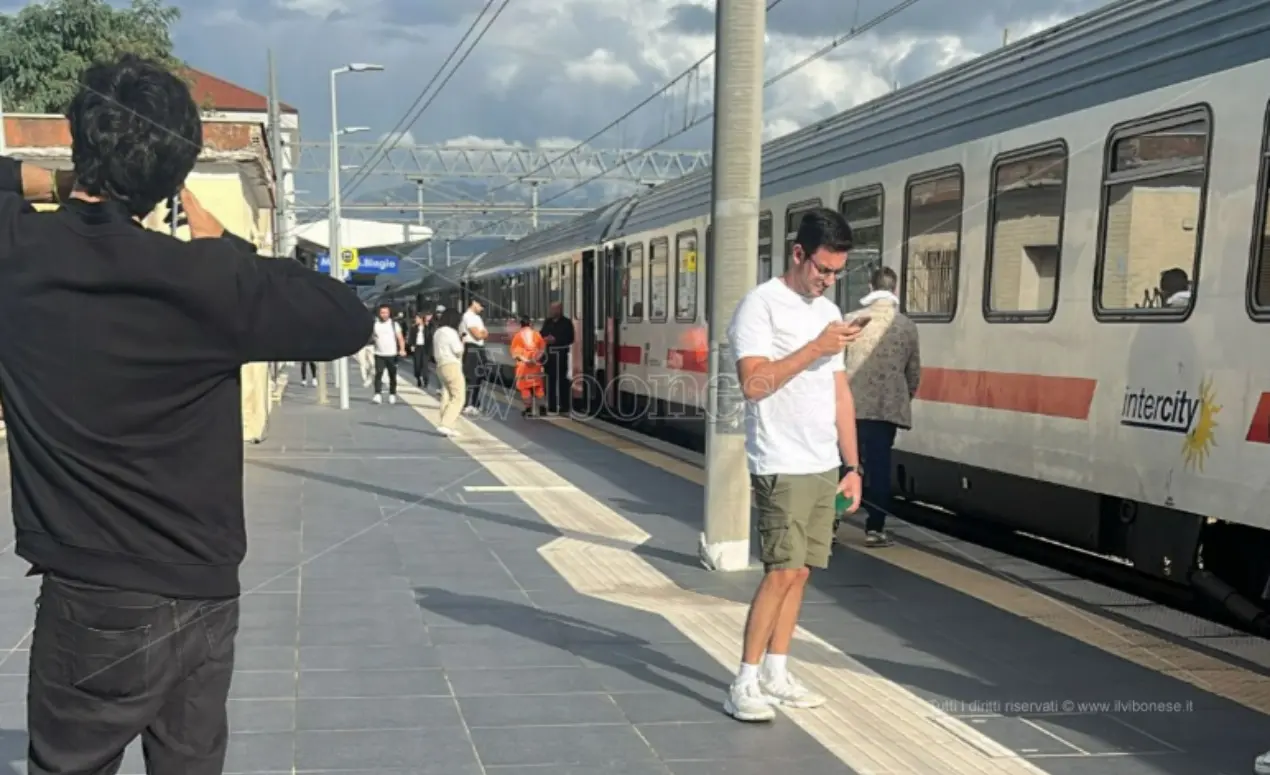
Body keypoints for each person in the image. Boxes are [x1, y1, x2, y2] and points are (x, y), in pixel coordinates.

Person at [0, 54, 372, 774]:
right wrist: (226, 246)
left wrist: (65, 183)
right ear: (177, 175)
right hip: (202, 599)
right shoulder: (211, 279)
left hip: (88, 600)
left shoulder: (17, 253)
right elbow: (346, 318)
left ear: (78, 141)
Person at [723, 207, 865, 722]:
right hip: (780, 459)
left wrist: (853, 465)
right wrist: (816, 347)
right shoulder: (759, 307)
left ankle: (777, 672)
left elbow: (839, 391)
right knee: (780, 571)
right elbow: (754, 385)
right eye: (821, 270)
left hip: (823, 460)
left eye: (836, 274)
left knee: (802, 571)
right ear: (798, 254)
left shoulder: (829, 312)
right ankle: (743, 681)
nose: (827, 281)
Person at [841, 266, 921, 547]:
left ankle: (831, 525)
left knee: (847, 465)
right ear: (895, 289)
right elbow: (913, 374)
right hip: (886, 411)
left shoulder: (852, 320)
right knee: (879, 467)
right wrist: (902, 398)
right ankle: (875, 529)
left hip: (849, 409)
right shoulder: (906, 326)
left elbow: (836, 369)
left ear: (870, 287)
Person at [432, 307, 467, 437]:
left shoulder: (437, 332)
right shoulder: (451, 332)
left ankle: (447, 426)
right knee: (458, 396)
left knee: (446, 394)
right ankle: (446, 424)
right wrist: (462, 341)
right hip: (451, 365)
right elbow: (458, 350)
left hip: (440, 365)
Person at [540, 302, 574, 414]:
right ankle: (552, 405)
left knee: (563, 381)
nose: (554, 311)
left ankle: (564, 406)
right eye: (553, 309)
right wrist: (546, 338)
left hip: (561, 354)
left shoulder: (566, 323)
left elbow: (570, 338)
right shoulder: (548, 322)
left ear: (560, 310)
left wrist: (556, 340)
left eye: (556, 309)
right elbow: (541, 334)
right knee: (550, 381)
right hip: (549, 356)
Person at [510, 316, 547, 417]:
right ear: (530, 324)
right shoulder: (536, 334)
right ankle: (543, 408)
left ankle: (528, 410)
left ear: (521, 325)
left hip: (523, 367)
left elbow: (515, 353)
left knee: (525, 389)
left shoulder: (517, 336)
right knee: (538, 387)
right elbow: (542, 349)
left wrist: (527, 360)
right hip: (535, 366)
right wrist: (535, 359)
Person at [458, 299, 488, 416]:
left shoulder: (477, 318)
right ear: (474, 302)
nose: (482, 309)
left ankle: (474, 403)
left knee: (478, 377)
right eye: (481, 306)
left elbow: (484, 334)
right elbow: (477, 335)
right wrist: (483, 334)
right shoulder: (468, 317)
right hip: (472, 349)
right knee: (471, 377)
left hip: (479, 349)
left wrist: (483, 334)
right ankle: (467, 404)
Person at [408, 311, 433, 389]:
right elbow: (411, 338)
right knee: (417, 365)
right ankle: (418, 378)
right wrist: (411, 345)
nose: (416, 320)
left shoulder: (428, 327)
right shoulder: (413, 327)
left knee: (425, 365)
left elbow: (430, 338)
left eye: (417, 318)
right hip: (417, 348)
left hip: (425, 348)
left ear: (422, 319)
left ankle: (426, 381)